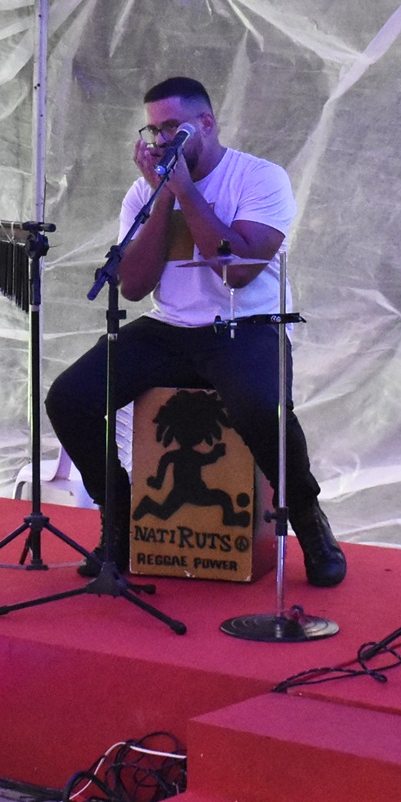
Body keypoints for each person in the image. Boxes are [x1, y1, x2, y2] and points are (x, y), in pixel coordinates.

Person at [46, 76, 346, 587]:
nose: (161, 140)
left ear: (206, 123)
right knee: (69, 398)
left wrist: (185, 189)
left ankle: (307, 517)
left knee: (262, 408)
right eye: (153, 130)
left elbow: (238, 270)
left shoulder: (259, 178)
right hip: (170, 328)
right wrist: (163, 197)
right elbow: (134, 286)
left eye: (173, 128)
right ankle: (119, 519)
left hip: (247, 325)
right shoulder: (144, 194)